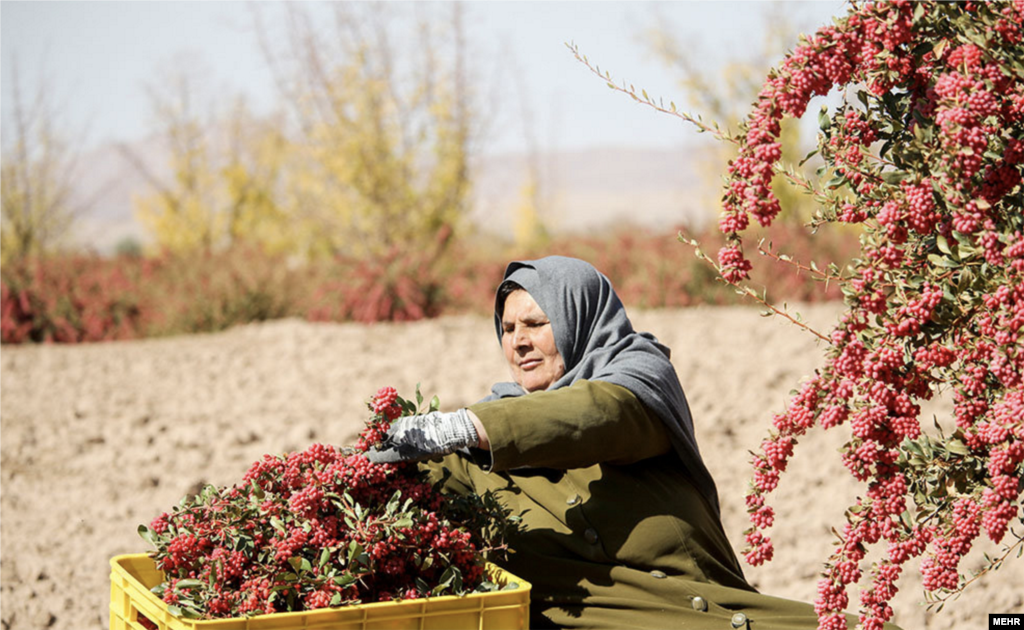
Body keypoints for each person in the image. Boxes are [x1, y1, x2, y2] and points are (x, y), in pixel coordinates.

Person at [368, 256, 900, 630]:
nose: (519, 342)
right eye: (507, 329)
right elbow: (391, 495)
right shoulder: (474, 451)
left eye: (536, 322)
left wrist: (471, 427)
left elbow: (602, 414)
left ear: (579, 318)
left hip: (711, 614)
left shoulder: (640, 379)